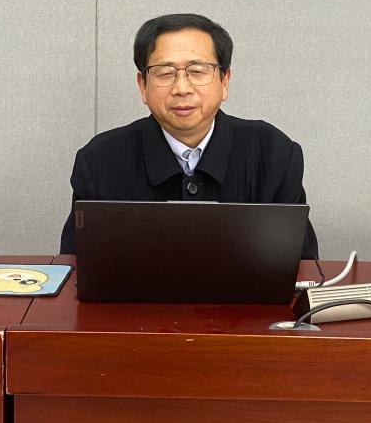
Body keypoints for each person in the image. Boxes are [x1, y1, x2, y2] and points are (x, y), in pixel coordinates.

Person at [60, 13, 318, 259]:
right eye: (165, 73)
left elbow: (302, 268)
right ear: (143, 86)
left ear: (224, 81)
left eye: (197, 71)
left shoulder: (274, 154)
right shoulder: (100, 161)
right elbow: (76, 269)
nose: (182, 88)